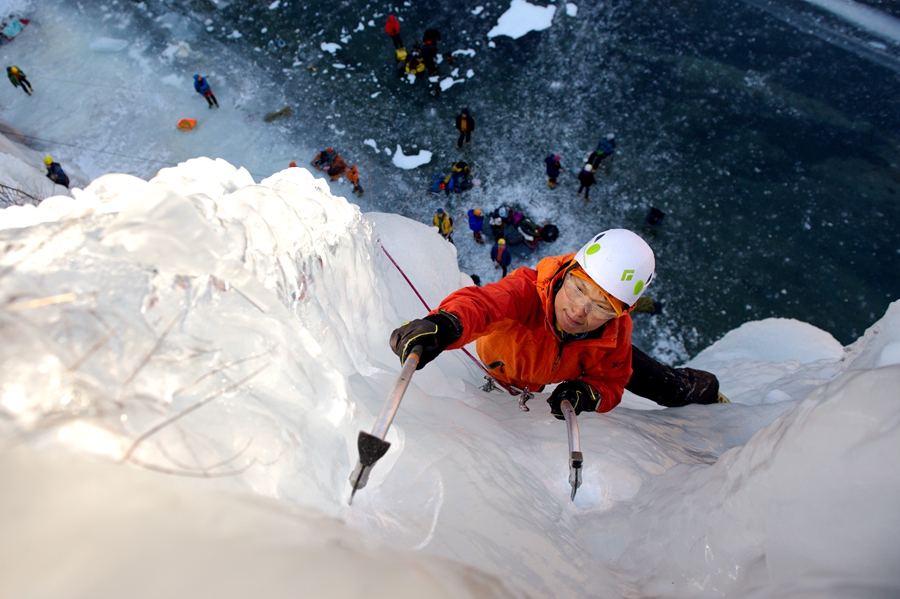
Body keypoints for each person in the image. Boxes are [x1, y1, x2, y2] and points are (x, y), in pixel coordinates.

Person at [389, 229, 727, 422]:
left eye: (602, 306)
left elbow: (613, 381)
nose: (580, 311)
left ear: (621, 313)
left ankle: (697, 388)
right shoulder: (527, 293)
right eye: (578, 289)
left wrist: (589, 393)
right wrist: (445, 324)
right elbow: (485, 304)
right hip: (508, 369)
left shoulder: (614, 332)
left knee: (657, 381)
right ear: (566, 273)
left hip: (584, 353)